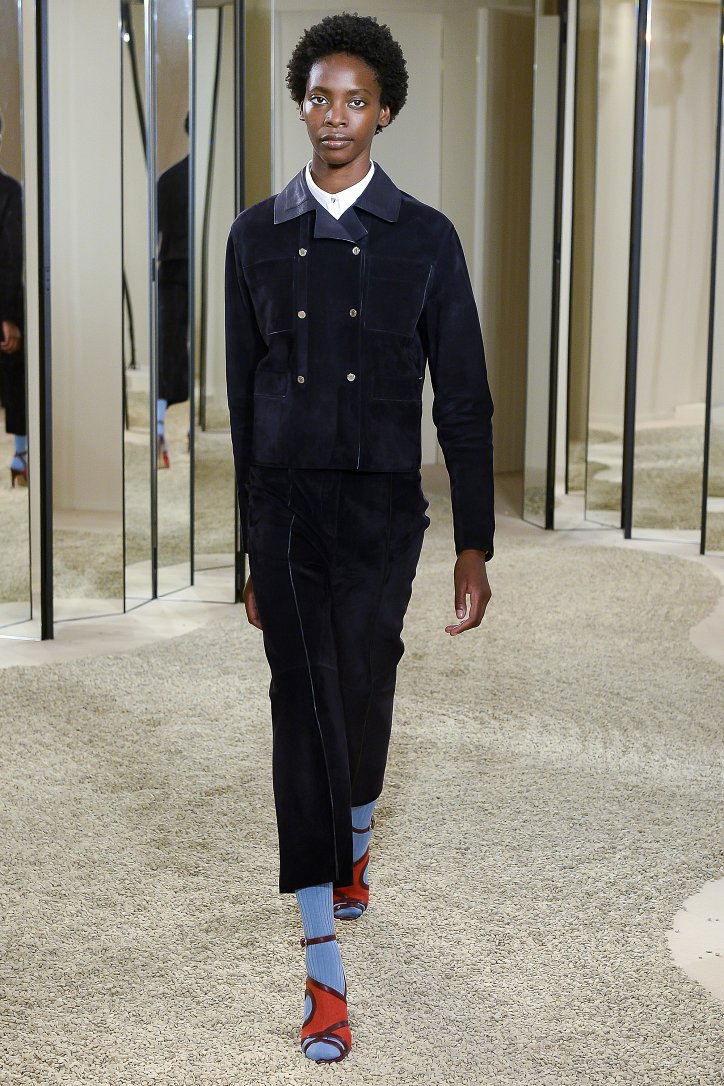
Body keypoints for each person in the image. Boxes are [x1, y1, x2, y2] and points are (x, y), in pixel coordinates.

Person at [225, 13, 494, 1064]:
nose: (334, 116)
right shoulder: (253, 236)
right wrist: (247, 553)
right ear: (303, 107)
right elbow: (243, 407)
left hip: (384, 511)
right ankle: (321, 965)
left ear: (383, 113)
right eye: (318, 98)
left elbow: (461, 399)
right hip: (286, 508)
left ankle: (357, 837)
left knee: (366, 689)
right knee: (300, 708)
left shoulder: (425, 238)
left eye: (354, 100)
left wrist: (474, 543)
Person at [156, 114, 190, 468]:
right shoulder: (212, 184)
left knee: (170, 348)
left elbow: (156, 234)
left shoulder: (168, 179)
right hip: (201, 267)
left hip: (171, 266)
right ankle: (191, 429)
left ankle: (159, 427)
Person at [0, 113, 27, 487]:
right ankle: (20, 455)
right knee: (16, 374)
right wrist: (7, 315)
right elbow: (9, 256)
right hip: (4, 301)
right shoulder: (8, 190)